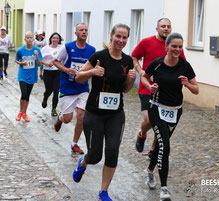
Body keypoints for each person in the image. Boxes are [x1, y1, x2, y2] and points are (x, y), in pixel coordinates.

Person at [72, 23, 136, 201]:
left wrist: (131, 80)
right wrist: (93, 71)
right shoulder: (99, 56)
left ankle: (103, 191)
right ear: (111, 36)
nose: (121, 40)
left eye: (124, 38)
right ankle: (83, 163)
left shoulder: (127, 61)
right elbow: (78, 77)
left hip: (116, 113)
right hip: (94, 113)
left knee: (113, 150)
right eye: (118, 36)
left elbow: (125, 90)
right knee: (94, 155)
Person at [141, 33, 199, 200]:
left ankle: (150, 171)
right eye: (174, 46)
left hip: (175, 111)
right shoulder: (157, 64)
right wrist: (150, 86)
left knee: (161, 145)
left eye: (180, 46)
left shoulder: (184, 65)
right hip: (157, 109)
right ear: (166, 47)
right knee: (165, 146)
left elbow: (196, 89)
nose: (177, 49)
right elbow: (144, 76)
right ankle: (164, 187)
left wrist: (187, 84)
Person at [132, 18, 185, 158]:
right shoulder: (146, 42)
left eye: (168, 26)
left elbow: (183, 64)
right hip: (147, 88)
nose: (166, 29)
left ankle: (154, 149)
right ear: (157, 28)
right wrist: (140, 71)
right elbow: (134, 57)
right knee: (149, 120)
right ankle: (142, 134)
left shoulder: (175, 47)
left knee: (162, 122)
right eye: (163, 26)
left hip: (166, 92)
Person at [53, 23, 95, 155]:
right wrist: (66, 69)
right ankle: (60, 118)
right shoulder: (67, 47)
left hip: (83, 88)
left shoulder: (92, 50)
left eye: (86, 30)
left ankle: (75, 143)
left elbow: (94, 66)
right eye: (81, 30)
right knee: (68, 119)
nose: (84, 32)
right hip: (68, 87)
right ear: (76, 33)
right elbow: (55, 61)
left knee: (82, 116)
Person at [15, 32, 43, 122]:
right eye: (27, 37)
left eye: (31, 37)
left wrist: (37, 56)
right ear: (25, 39)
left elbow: (39, 64)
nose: (29, 39)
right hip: (22, 75)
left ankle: (25, 113)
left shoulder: (37, 50)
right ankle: (20, 112)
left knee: (27, 96)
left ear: (33, 39)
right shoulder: (20, 50)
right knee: (24, 94)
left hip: (32, 75)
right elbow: (16, 60)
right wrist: (21, 63)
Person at [41, 32, 63, 116]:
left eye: (57, 38)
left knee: (56, 91)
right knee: (49, 90)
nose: (55, 40)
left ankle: (54, 109)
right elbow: (40, 59)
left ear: (59, 40)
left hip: (57, 72)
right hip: (48, 72)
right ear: (51, 39)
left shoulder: (61, 48)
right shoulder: (45, 48)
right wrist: (47, 63)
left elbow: (64, 58)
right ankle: (45, 98)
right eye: (54, 38)